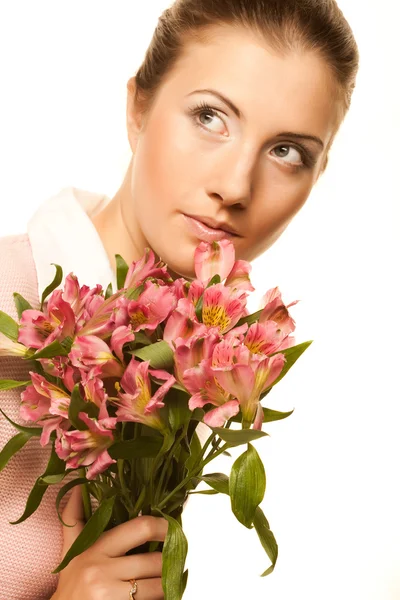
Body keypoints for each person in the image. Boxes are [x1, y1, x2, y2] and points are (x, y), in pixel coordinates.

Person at [0, 0, 359, 598]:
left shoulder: (197, 365)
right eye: (210, 117)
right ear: (138, 107)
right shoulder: (13, 304)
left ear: (317, 177)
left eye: (288, 151)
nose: (236, 186)